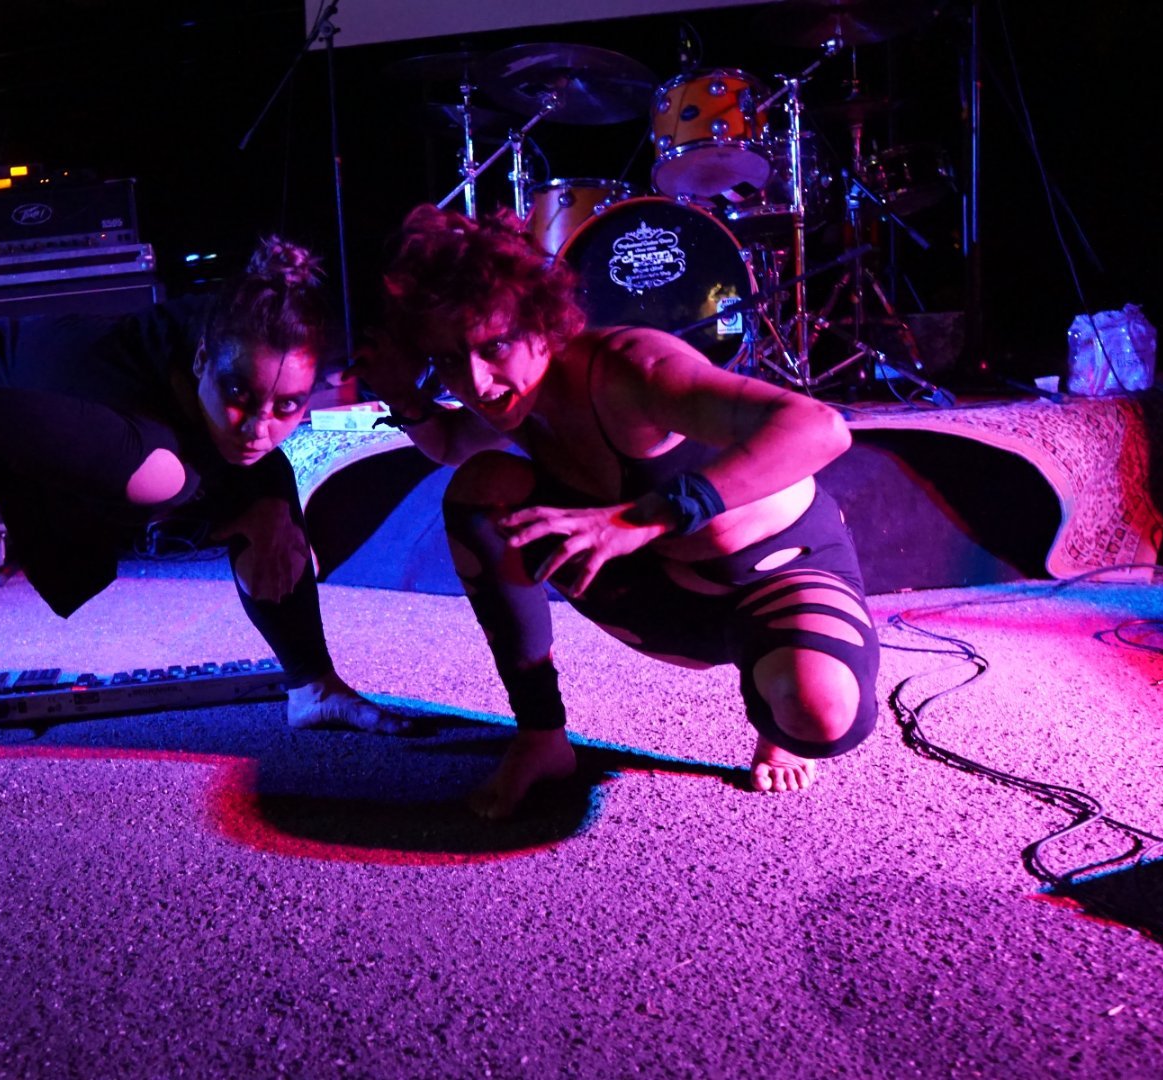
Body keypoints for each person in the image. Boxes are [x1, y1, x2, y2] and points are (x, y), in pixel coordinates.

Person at [0, 238, 405, 844]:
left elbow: (256, 426)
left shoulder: (248, 329)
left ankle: (313, 685)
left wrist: (267, 496)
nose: (259, 427)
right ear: (201, 362)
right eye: (239, 395)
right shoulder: (134, 424)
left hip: (42, 421)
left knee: (268, 501)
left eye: (288, 406)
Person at [365, 205, 878, 819]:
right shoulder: (512, 392)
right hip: (655, 604)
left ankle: (777, 698)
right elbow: (451, 444)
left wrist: (641, 518)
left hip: (773, 579)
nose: (475, 381)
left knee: (819, 713)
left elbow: (819, 428)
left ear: (540, 323)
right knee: (480, 487)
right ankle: (541, 734)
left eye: (493, 346)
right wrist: (404, 395)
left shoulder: (633, 369)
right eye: (450, 360)